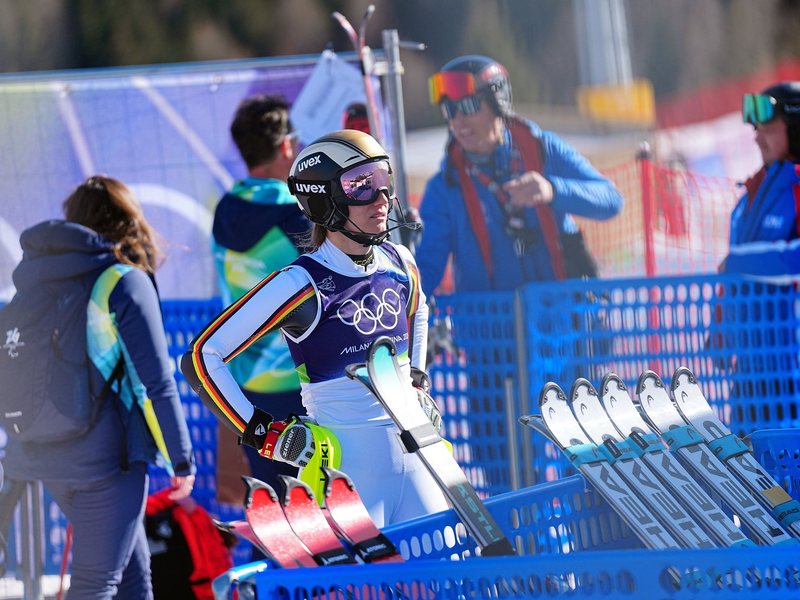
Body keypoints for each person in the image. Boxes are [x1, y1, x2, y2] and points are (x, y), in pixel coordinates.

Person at [182, 130, 448, 527]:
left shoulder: (400, 261)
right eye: (361, 185)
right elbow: (202, 357)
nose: (381, 198)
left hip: (419, 460)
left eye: (384, 179)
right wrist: (266, 435)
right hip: (351, 477)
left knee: (450, 568)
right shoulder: (300, 283)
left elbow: (419, 309)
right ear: (325, 200)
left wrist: (417, 380)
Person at [2, 176, 195, 599]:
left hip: (47, 456)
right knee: (97, 585)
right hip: (108, 463)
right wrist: (181, 459)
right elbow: (155, 383)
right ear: (128, 220)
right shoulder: (121, 280)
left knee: (132, 577)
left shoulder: (38, 281)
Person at [417, 55, 624, 295]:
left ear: (498, 103)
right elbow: (426, 269)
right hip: (488, 317)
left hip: (562, 312)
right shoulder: (445, 186)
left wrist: (552, 191)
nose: (457, 121)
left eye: (468, 105)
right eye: (449, 110)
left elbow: (611, 200)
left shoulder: (544, 150)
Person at [211, 94, 308, 493]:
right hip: (300, 381)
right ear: (285, 146)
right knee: (318, 503)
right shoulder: (298, 217)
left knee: (273, 504)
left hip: (244, 384)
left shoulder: (224, 210)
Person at [721, 82, 800, 281]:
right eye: (757, 129)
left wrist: (738, 263)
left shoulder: (796, 187)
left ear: (796, 131)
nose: (757, 139)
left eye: (768, 129)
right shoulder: (753, 190)